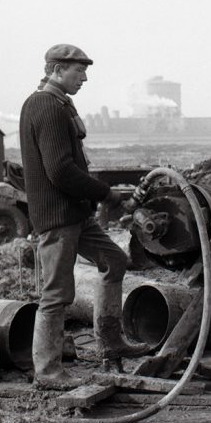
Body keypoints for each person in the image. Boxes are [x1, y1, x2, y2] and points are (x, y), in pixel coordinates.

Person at [19, 44, 152, 389]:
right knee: (56, 293)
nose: (85, 77)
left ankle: (110, 342)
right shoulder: (46, 106)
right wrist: (106, 193)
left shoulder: (59, 103)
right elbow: (60, 170)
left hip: (76, 214)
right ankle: (47, 372)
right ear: (57, 70)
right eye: (79, 71)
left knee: (114, 261)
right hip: (58, 217)